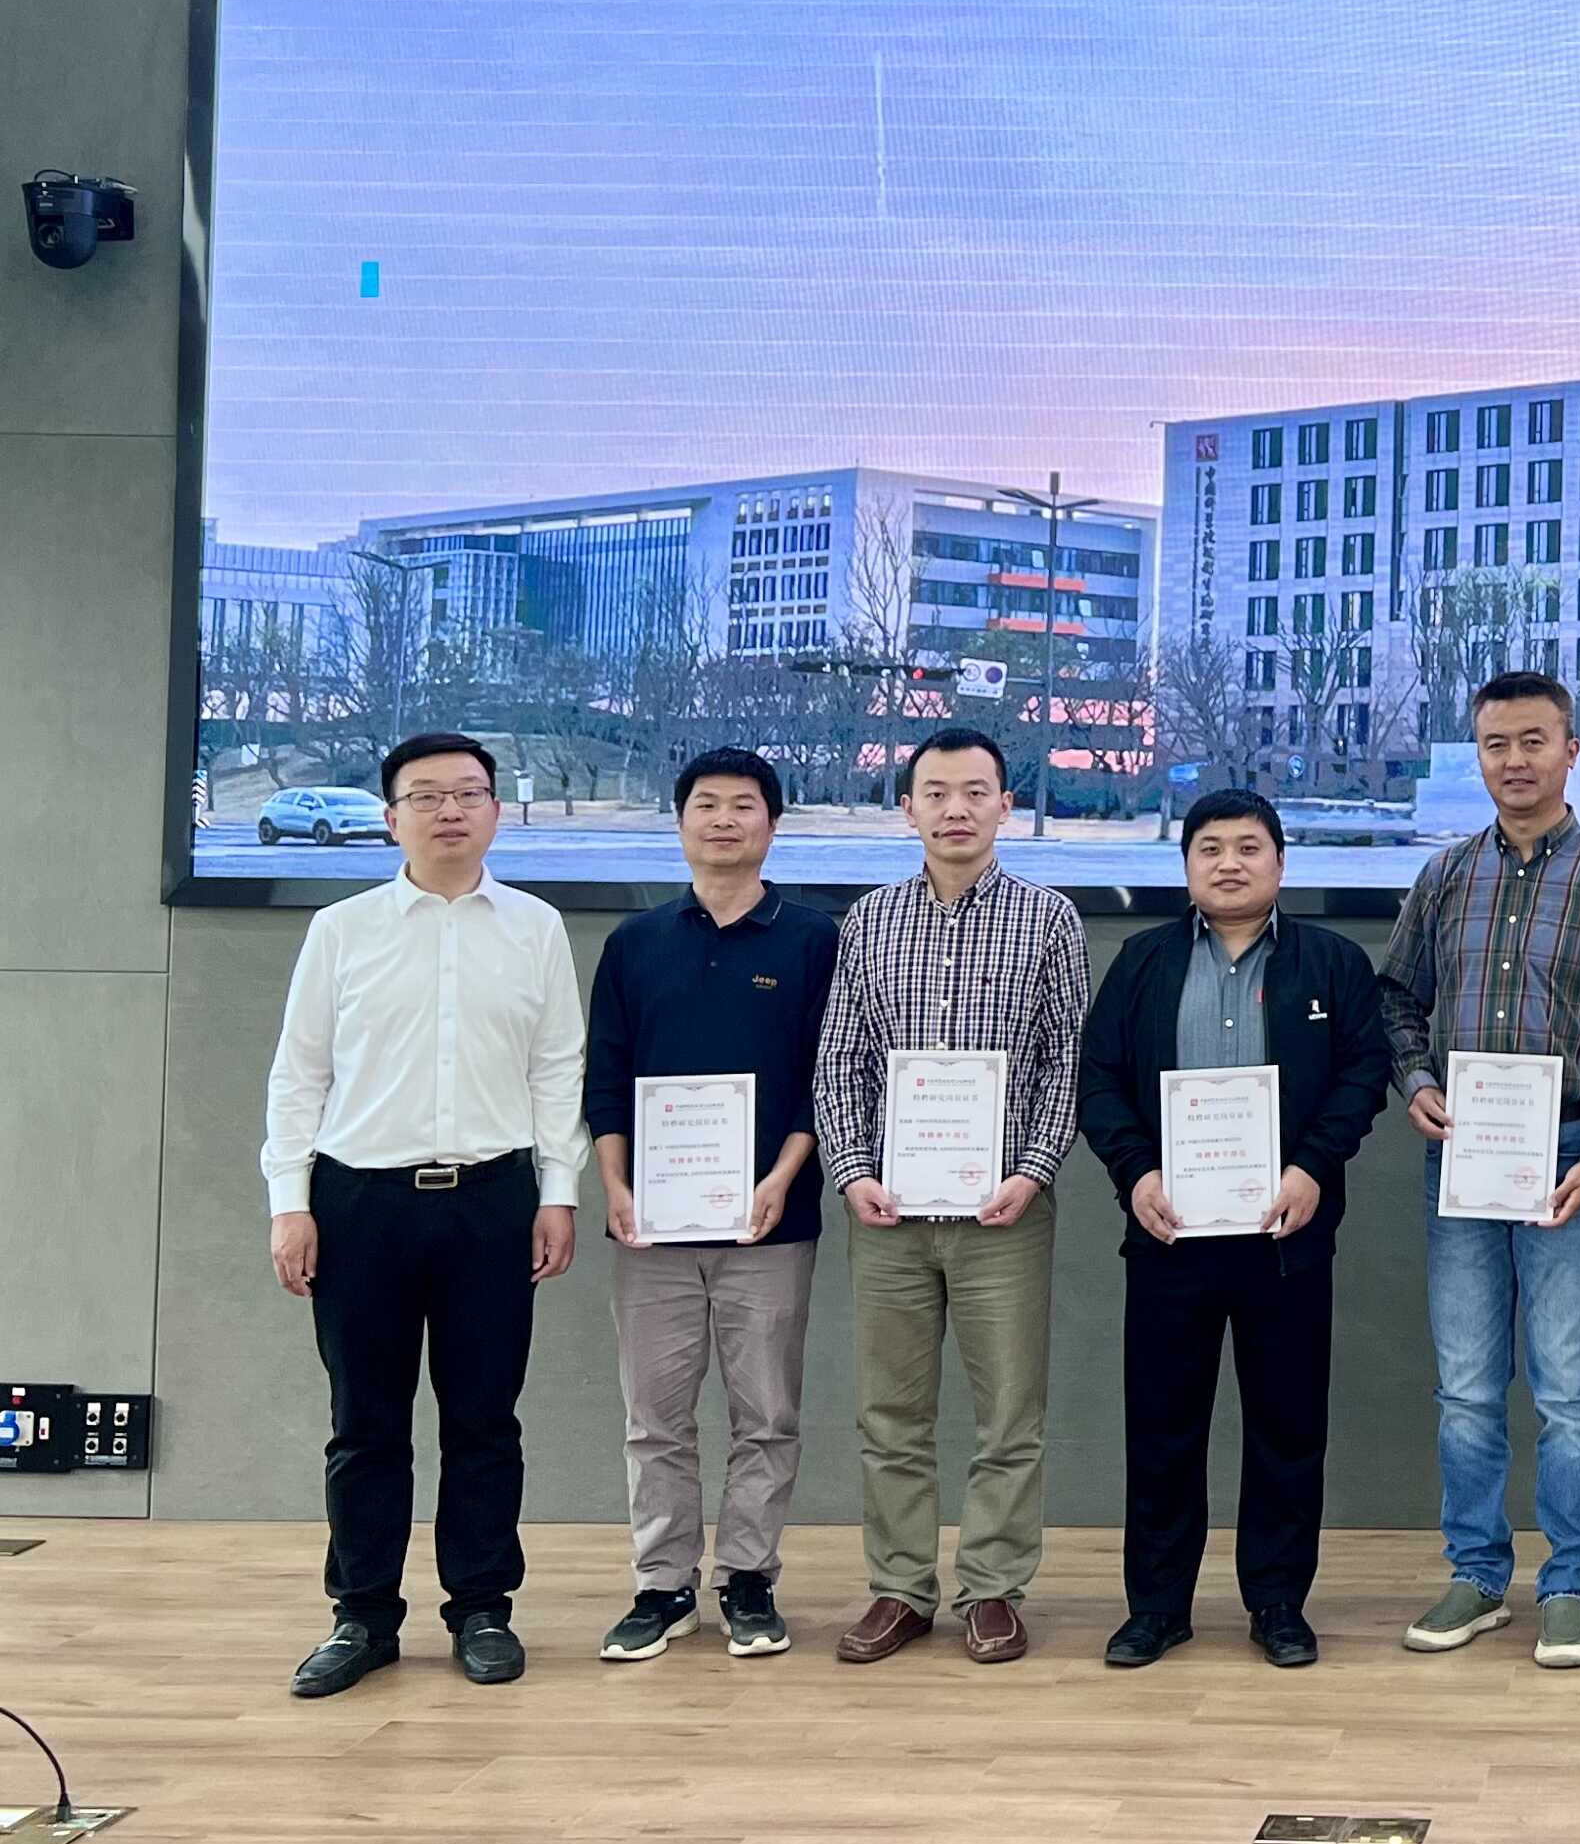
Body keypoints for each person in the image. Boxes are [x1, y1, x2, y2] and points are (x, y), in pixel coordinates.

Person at [260, 732, 583, 1697]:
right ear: (391, 815)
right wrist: (290, 1205)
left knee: (485, 1421)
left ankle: (481, 1609)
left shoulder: (535, 928)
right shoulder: (342, 929)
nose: (450, 811)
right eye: (427, 795)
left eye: (469, 794)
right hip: (360, 1202)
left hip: (492, 1200)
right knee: (365, 1424)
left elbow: (556, 1069)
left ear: (496, 811)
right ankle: (362, 1616)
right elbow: (298, 1075)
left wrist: (558, 1193)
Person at [1380, 670, 1580, 1672]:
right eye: (1495, 743)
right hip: (1461, 1161)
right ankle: (1476, 1574)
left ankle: (1569, 1586)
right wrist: (1415, 1081)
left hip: (1565, 1165)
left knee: (1567, 1390)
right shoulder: (1445, 876)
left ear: (1571, 752)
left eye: (1533, 741)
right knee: (1465, 1388)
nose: (1514, 761)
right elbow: (1395, 999)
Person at [1075, 788, 1391, 1670]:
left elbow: (1363, 1074)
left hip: (1286, 1235)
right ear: (1185, 866)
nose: (1228, 863)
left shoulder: (1332, 962)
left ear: (1280, 863)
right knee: (1162, 1427)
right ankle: (1157, 1608)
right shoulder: (1142, 961)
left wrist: (1311, 1168)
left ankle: (1278, 1603)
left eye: (1248, 847)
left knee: (1287, 1428)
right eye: (1209, 848)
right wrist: (1135, 1173)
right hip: (1169, 1234)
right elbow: (1098, 1078)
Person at [809, 724, 1089, 1667]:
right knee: (889, 1414)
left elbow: (1065, 1063)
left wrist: (1033, 1169)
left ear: (1006, 805)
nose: (955, 809)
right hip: (888, 1213)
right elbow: (840, 1059)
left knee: (1009, 1412)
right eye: (935, 792)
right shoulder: (869, 921)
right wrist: (853, 1170)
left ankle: (993, 1588)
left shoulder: (1050, 919)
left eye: (975, 792)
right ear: (908, 809)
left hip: (1003, 1211)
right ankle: (899, 1589)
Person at [584, 747, 839, 1663]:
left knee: (766, 1415)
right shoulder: (635, 942)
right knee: (654, 1419)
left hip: (772, 1222)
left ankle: (748, 1578)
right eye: (705, 804)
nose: (723, 819)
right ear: (680, 820)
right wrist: (615, 1186)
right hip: (651, 1226)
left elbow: (825, 1079)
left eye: (743, 805)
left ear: (773, 823)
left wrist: (782, 1178)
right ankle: (662, 1586)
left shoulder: (814, 939)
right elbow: (606, 1076)